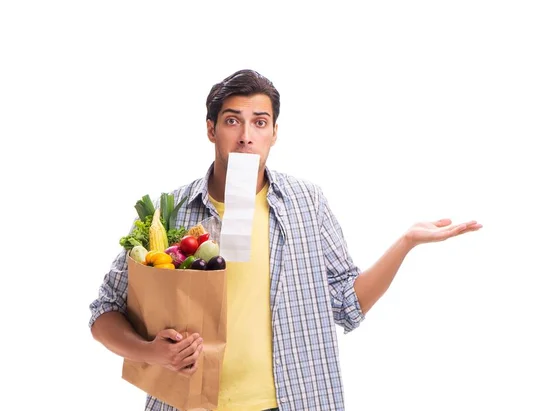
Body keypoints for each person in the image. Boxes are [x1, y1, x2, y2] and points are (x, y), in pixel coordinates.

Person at [89, 69, 482, 411]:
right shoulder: (171, 211)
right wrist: (150, 352)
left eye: (260, 122)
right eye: (232, 121)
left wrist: (406, 243)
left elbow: (347, 304)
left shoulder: (307, 203)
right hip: (188, 403)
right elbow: (105, 309)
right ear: (211, 129)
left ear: (274, 133)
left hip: (293, 400)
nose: (246, 136)